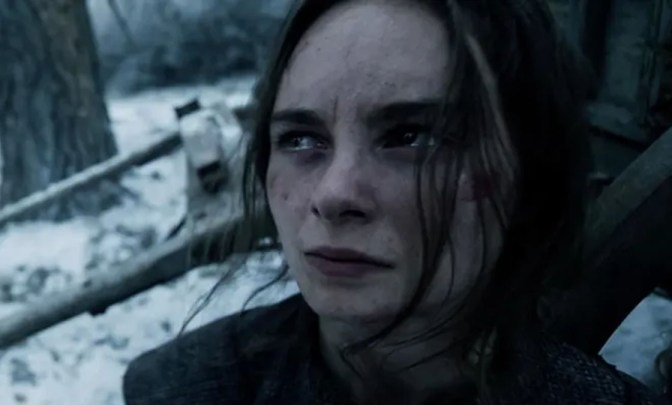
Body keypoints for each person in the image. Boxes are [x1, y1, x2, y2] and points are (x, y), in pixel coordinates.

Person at [122, 0, 669, 404]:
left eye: (411, 136)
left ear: (528, 171)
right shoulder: (182, 389)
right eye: (301, 139)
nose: (333, 195)